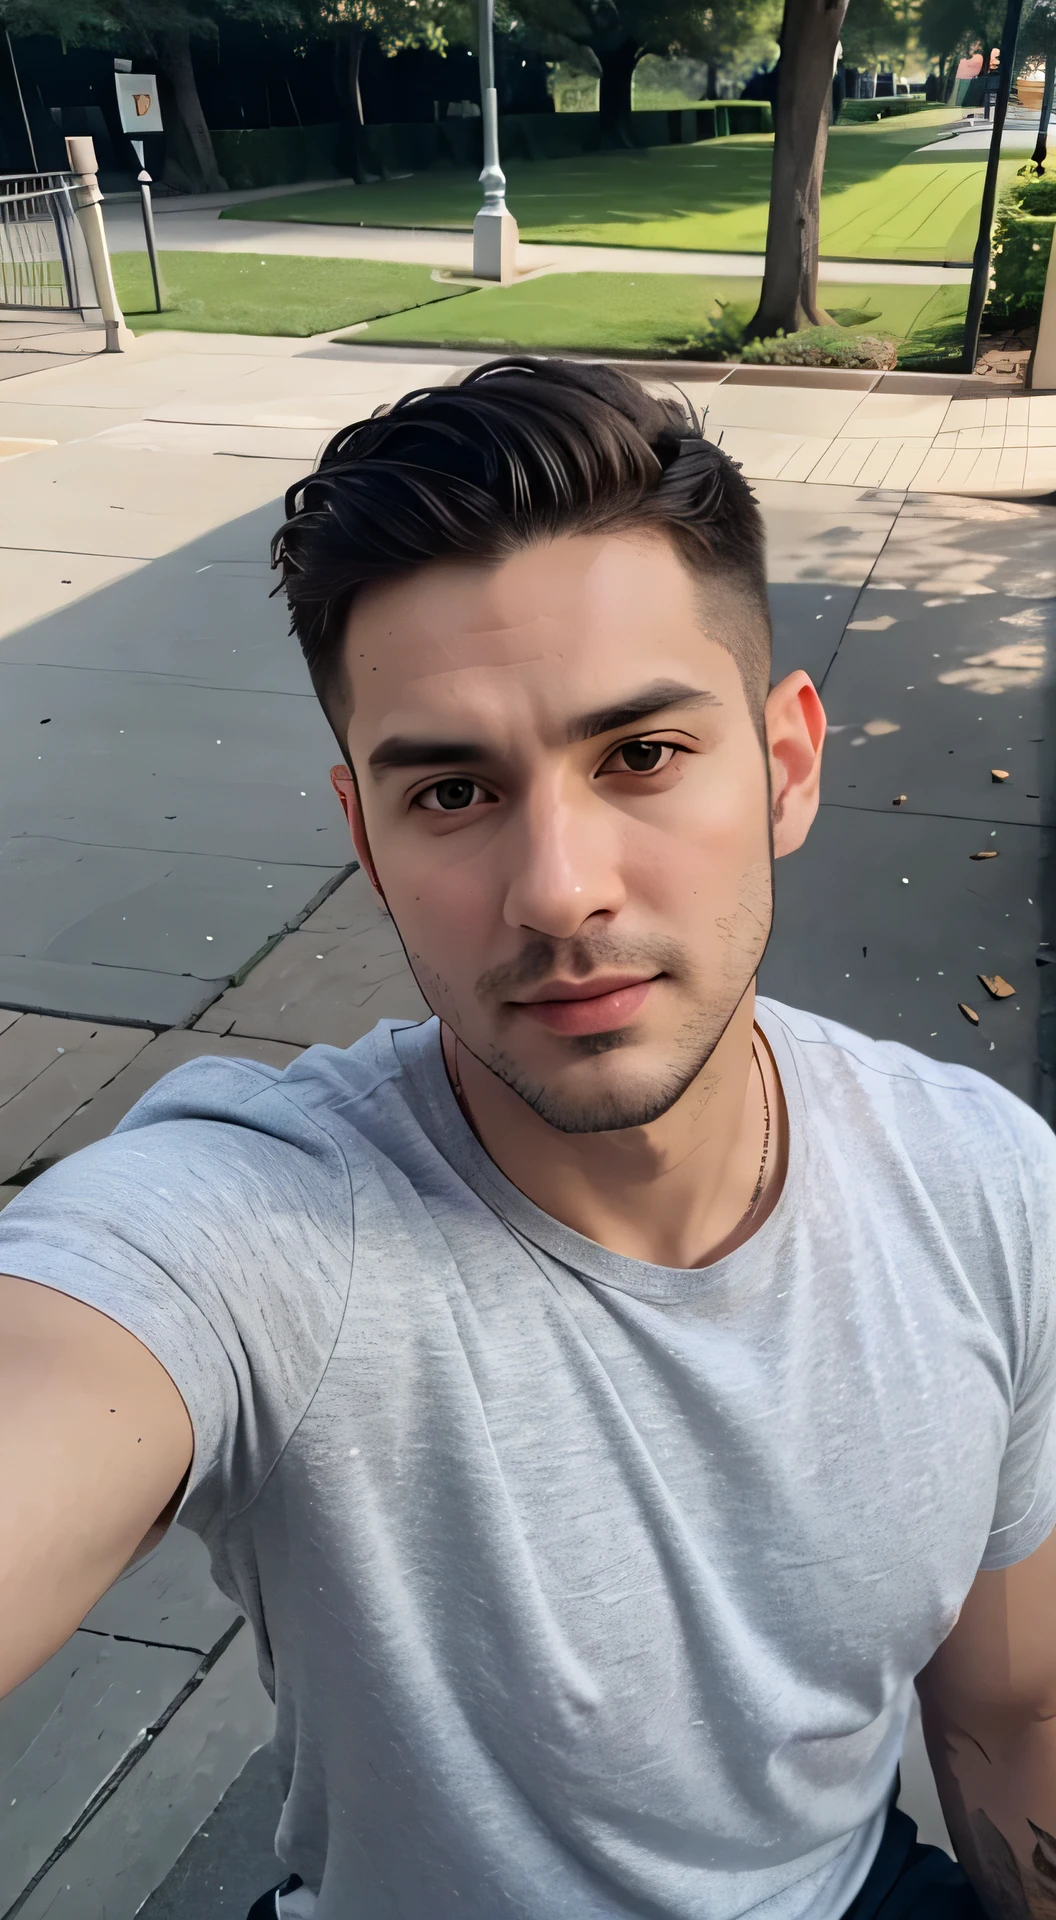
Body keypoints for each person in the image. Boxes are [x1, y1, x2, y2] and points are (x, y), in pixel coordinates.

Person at [0, 359, 1054, 1920]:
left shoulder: (984, 1187)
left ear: (783, 764)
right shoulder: (259, 1230)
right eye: (453, 790)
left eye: (640, 754)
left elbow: (1010, 1715)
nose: (559, 888)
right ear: (365, 833)